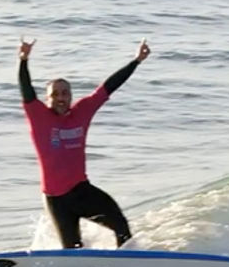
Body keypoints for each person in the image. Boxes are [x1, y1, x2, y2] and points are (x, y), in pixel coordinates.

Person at [17, 38, 150, 248]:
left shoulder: (82, 111)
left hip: (81, 191)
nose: (61, 98)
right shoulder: (38, 115)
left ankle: (125, 265)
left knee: (121, 227)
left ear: (71, 96)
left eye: (65, 93)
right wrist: (23, 60)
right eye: (55, 94)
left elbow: (108, 87)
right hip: (55, 200)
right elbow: (26, 90)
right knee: (72, 250)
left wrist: (137, 61)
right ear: (48, 99)